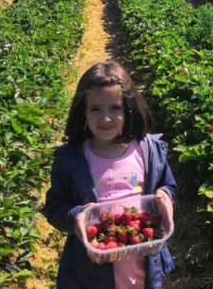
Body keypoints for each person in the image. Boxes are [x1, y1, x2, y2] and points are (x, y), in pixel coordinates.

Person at [42, 61, 176, 289]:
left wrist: (164, 197)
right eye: (95, 109)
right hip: (92, 270)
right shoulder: (71, 160)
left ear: (128, 108)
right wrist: (76, 218)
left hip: (143, 260)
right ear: (83, 112)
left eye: (115, 108)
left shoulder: (148, 150)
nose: (105, 118)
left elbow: (167, 185)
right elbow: (55, 206)